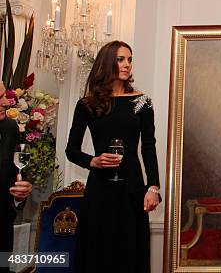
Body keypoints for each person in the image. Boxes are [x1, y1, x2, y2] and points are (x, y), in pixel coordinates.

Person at [65, 41, 161, 273]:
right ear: (108, 62)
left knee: (130, 251)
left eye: (129, 59)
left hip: (133, 188)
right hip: (100, 189)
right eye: (121, 59)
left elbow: (149, 147)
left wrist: (153, 188)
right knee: (98, 251)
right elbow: (71, 150)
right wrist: (93, 161)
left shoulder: (142, 102)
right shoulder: (86, 104)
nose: (127, 64)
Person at [0, 82, 33, 273]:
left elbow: (20, 175)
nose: (6, 102)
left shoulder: (10, 128)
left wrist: (20, 195)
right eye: (0, 98)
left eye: (5, 95)